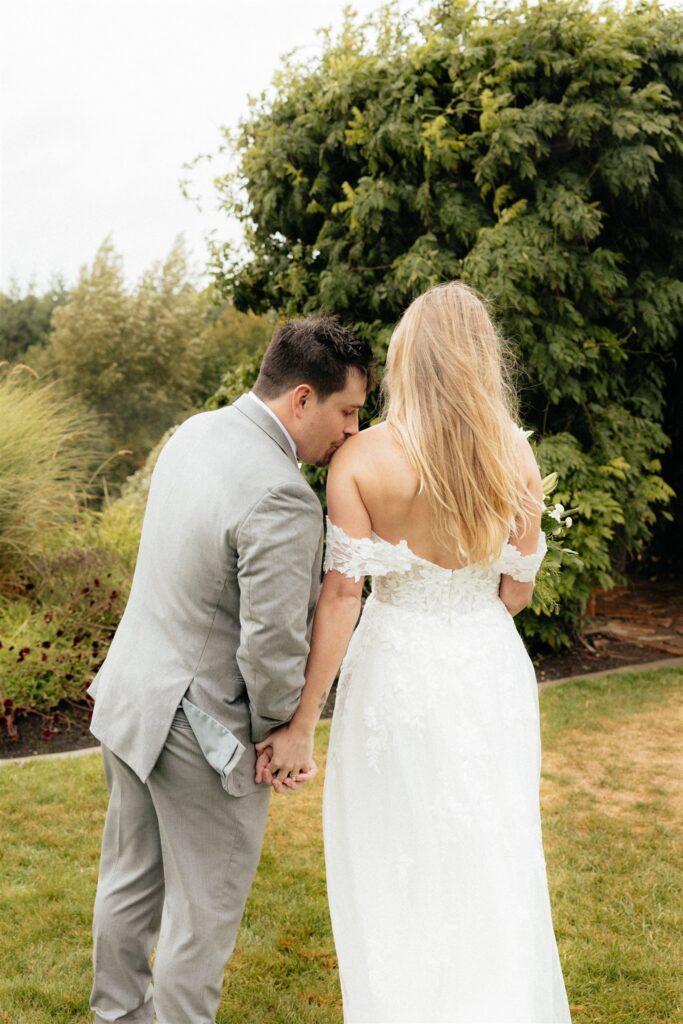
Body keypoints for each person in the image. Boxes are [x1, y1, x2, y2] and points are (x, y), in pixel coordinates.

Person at [259, 282, 572, 1022]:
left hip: (396, 669)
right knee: (492, 846)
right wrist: (464, 612)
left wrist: (302, 723)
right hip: (488, 666)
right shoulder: (515, 456)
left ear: (405, 357)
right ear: (482, 360)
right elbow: (516, 592)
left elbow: (343, 596)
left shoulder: (360, 458)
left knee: (392, 851)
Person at [86, 315, 372, 1024]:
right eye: (346, 412)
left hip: (131, 693)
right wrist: (283, 731)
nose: (352, 432)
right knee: (202, 917)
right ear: (301, 399)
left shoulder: (195, 432)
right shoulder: (282, 495)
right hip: (200, 730)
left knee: (128, 881)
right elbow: (271, 645)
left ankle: (116, 1015)